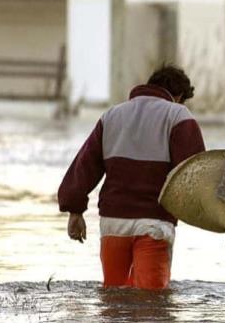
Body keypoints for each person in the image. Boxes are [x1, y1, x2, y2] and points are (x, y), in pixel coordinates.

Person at [58, 65, 206, 290]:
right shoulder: (177, 115)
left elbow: (84, 165)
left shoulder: (112, 115)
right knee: (151, 303)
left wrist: (74, 210)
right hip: (154, 223)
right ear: (178, 96)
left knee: (114, 298)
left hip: (113, 223)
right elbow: (194, 172)